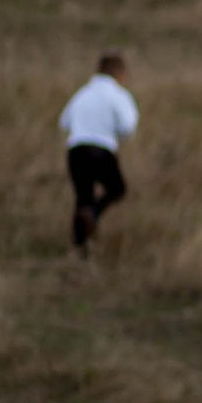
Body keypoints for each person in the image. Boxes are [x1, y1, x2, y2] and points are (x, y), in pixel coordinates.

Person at [60, 53, 137, 253]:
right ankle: (93, 213)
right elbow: (128, 127)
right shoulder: (119, 95)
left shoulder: (82, 93)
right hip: (102, 150)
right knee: (117, 189)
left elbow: (64, 122)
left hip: (76, 150)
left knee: (82, 197)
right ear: (119, 74)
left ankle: (79, 246)